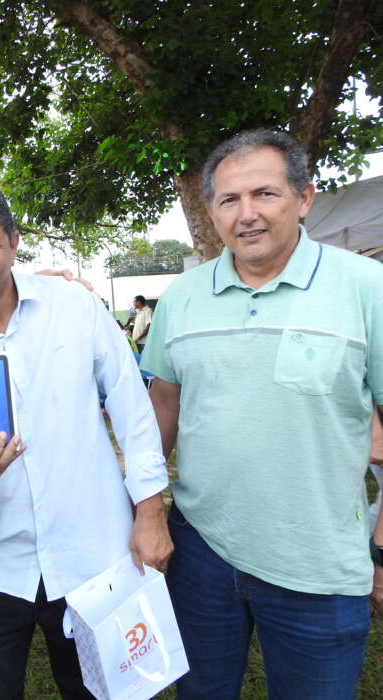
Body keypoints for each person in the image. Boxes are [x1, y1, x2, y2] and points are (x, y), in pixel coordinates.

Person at [141, 128, 383, 699]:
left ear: (303, 198)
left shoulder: (367, 287)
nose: (246, 214)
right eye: (229, 199)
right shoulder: (182, 296)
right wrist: (146, 509)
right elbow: (163, 407)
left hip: (320, 561)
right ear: (211, 211)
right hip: (200, 550)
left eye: (265, 194)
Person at [0, 183, 172, 699]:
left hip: (93, 555)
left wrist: (150, 511)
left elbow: (131, 406)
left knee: (103, 692)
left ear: (14, 242)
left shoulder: (73, 306)